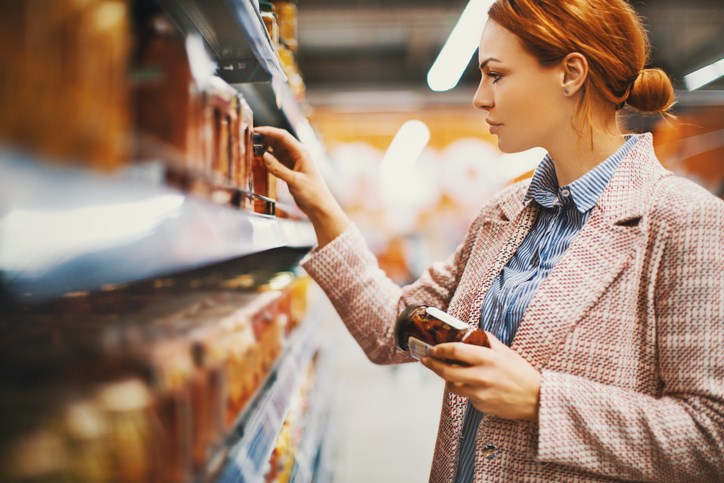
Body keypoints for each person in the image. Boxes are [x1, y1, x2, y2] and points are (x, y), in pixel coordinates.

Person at [255, 0, 724, 480]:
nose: (480, 98)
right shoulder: (503, 214)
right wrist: (320, 206)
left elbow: (712, 438)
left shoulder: (685, 222)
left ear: (571, 73)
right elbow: (392, 331)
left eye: (495, 75)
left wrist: (542, 400)